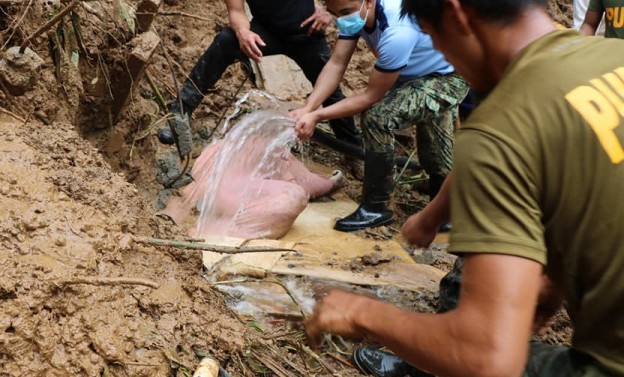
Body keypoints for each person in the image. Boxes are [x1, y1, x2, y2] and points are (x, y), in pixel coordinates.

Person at [305, 0, 624, 377]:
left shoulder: (502, 128)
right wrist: (554, 283)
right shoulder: (614, 55)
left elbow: (486, 357)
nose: (447, 61)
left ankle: (423, 366)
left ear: (457, 14)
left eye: (437, 40)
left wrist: (360, 313)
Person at [290, 0, 469, 232]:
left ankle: (376, 207)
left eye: (345, 13)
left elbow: (370, 97)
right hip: (414, 73)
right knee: (434, 149)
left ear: (369, 2)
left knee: (377, 117)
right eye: (335, 14)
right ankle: (447, 209)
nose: (342, 20)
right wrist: (308, 107)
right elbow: (336, 63)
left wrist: (317, 116)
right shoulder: (354, 12)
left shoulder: (398, 31)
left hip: (447, 78)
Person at [158, 0, 361, 164]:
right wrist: (244, 33)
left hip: (306, 33)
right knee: (225, 41)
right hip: (266, 32)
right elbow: (236, 12)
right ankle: (180, 111)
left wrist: (328, 12)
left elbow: (342, 4)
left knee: (330, 91)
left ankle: (354, 152)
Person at [175, 110, 343, 240]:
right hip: (229, 212)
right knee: (294, 196)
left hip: (205, 199)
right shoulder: (279, 153)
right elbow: (309, 183)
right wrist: (332, 183)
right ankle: (221, 233)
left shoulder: (219, 147)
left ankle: (215, 229)